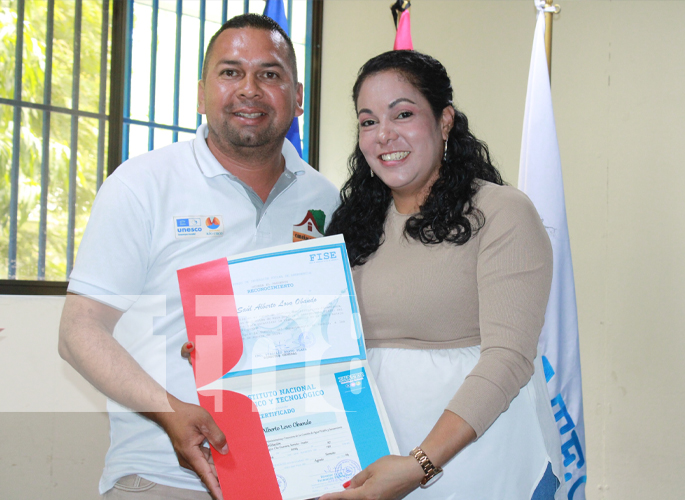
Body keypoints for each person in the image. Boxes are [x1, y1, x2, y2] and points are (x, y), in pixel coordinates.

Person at [58, 14, 338, 500]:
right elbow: (79, 331)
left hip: (296, 475)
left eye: (269, 74)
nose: (249, 88)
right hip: (162, 476)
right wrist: (169, 410)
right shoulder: (142, 185)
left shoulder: (326, 199)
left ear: (297, 98)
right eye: (230, 72)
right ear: (201, 92)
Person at [319, 50, 565, 499]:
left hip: (481, 465)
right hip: (373, 469)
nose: (383, 135)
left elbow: (507, 359)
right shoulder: (349, 225)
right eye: (368, 121)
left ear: (445, 119)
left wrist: (420, 463)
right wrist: (231, 350)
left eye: (404, 114)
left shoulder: (501, 212)